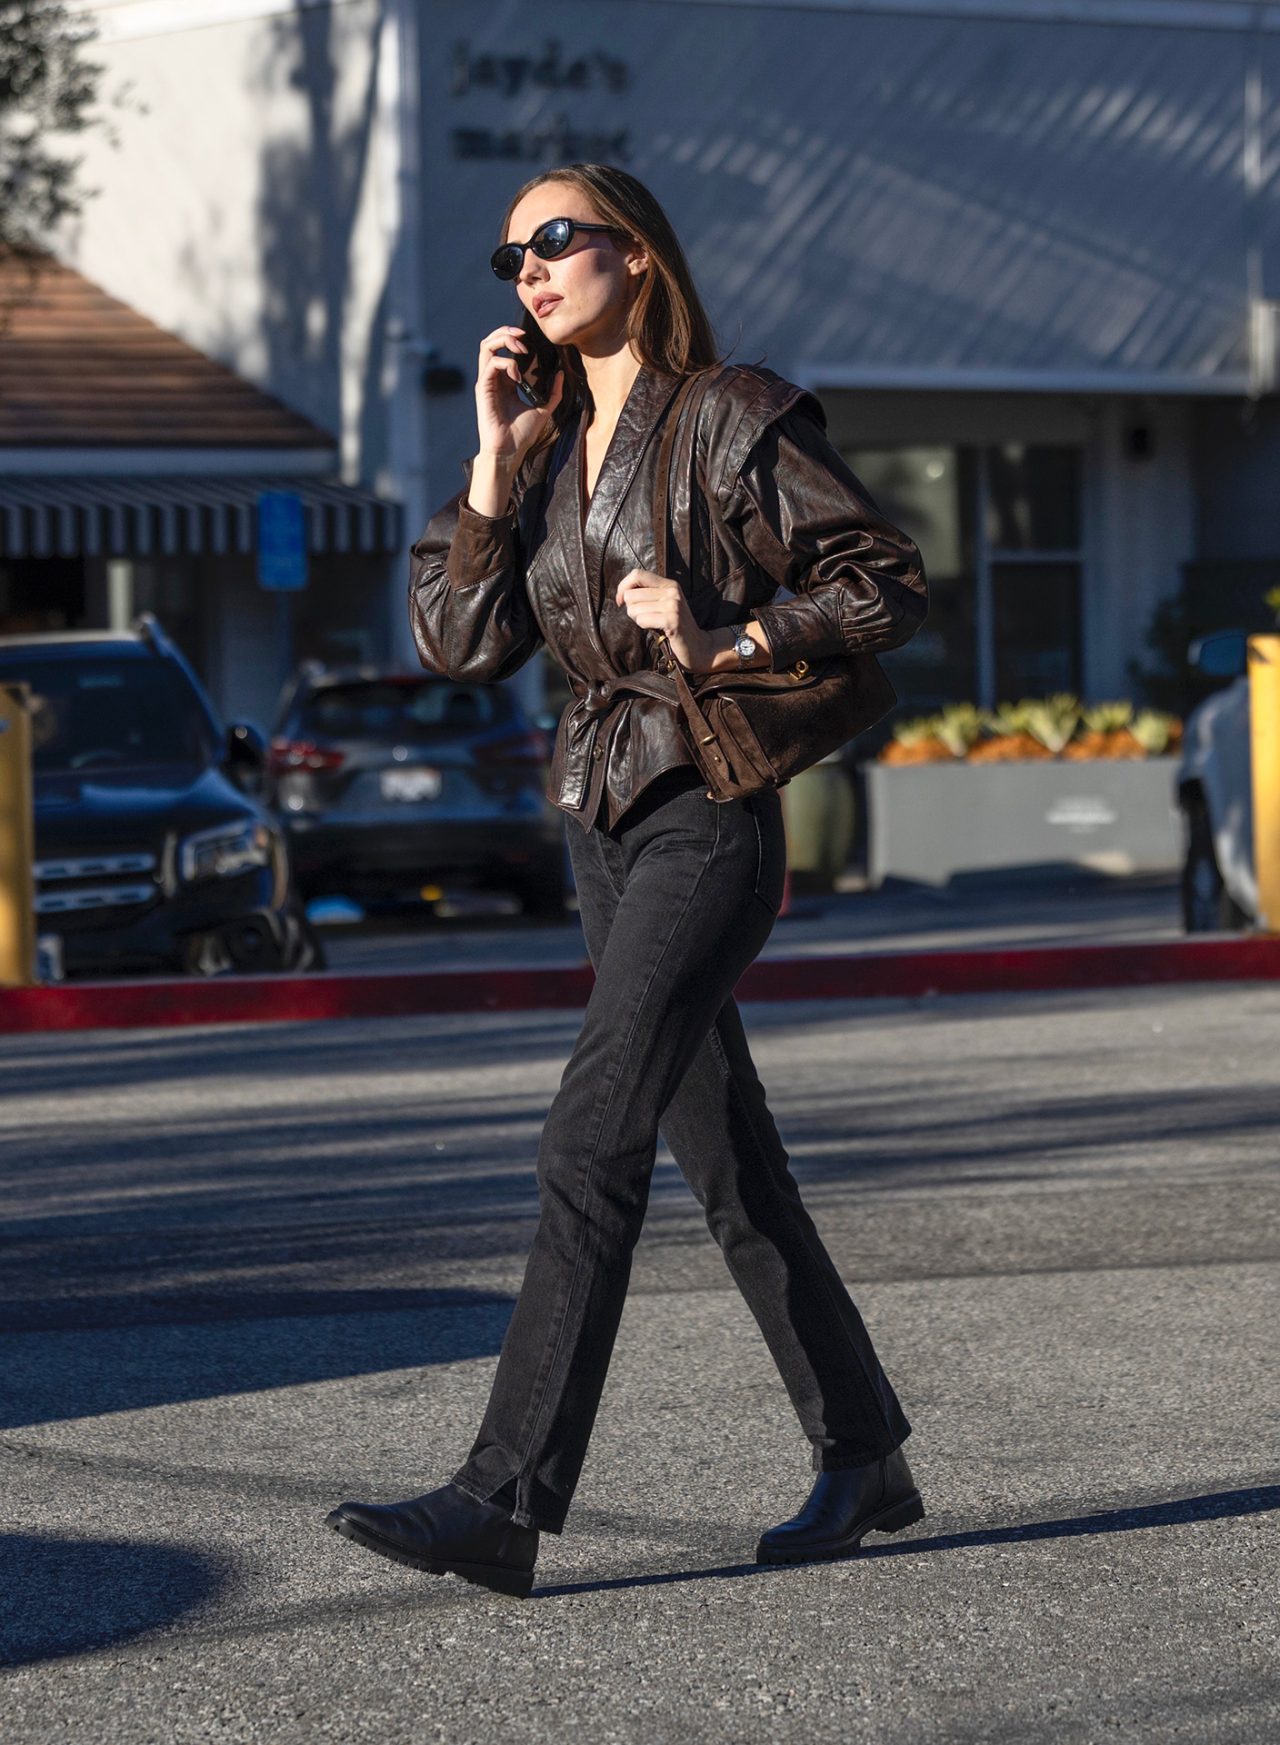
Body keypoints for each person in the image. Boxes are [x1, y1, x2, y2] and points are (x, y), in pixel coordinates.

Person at [325, 162, 929, 1599]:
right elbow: (462, 644)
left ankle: (502, 1498)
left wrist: (730, 638)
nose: (529, 270)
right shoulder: (541, 449)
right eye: (511, 257)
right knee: (729, 1165)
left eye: (555, 240)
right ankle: (864, 1454)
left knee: (588, 1138)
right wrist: (490, 463)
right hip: (600, 823)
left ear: (637, 254)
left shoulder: (728, 414)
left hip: (705, 814)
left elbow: (885, 579)